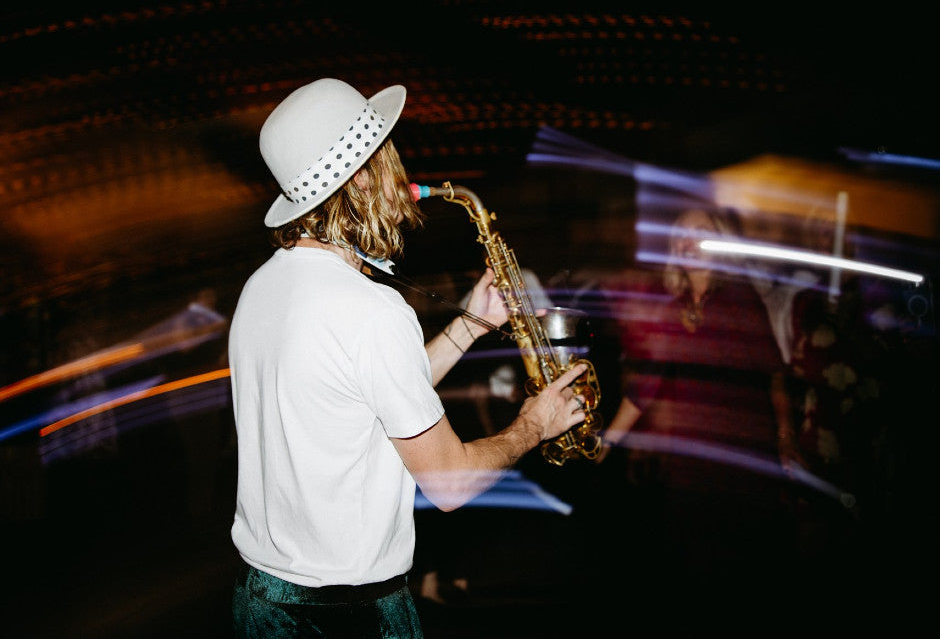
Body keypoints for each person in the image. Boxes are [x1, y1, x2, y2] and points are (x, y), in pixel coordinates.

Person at [227, 77, 588, 638]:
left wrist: (469, 327)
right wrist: (533, 424)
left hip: (262, 602)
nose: (405, 179)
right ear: (365, 178)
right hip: (349, 617)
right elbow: (449, 483)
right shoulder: (370, 308)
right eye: (390, 160)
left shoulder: (261, 290)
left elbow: (363, 395)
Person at [596, 205, 802, 589]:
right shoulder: (670, 310)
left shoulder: (740, 299)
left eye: (700, 232)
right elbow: (645, 388)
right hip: (689, 466)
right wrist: (605, 441)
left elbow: (774, 375)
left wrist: (786, 438)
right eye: (680, 235)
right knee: (693, 575)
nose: (688, 241)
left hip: (744, 460)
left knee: (747, 575)